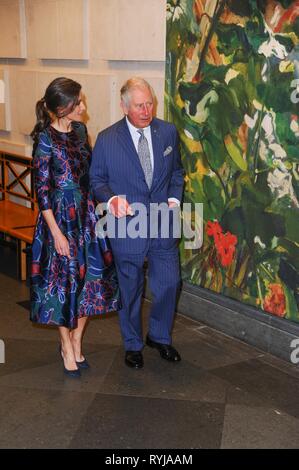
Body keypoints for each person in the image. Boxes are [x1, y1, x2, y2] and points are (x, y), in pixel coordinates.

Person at [90, 77, 184, 369]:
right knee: (130, 289)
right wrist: (111, 199)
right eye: (140, 105)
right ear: (124, 106)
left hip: (162, 223)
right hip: (126, 225)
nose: (147, 110)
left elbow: (177, 172)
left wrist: (174, 200)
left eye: (150, 103)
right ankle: (132, 343)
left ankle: (159, 336)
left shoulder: (167, 132)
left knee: (170, 283)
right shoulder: (107, 139)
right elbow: (97, 180)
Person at [30, 77, 121, 378]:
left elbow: (91, 174)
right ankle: (65, 344)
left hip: (86, 217)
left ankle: (77, 337)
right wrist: (55, 234)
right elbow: (41, 190)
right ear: (62, 108)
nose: (83, 107)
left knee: (90, 283)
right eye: (77, 103)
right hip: (58, 220)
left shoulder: (81, 131)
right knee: (64, 285)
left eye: (81, 101)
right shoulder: (45, 139)